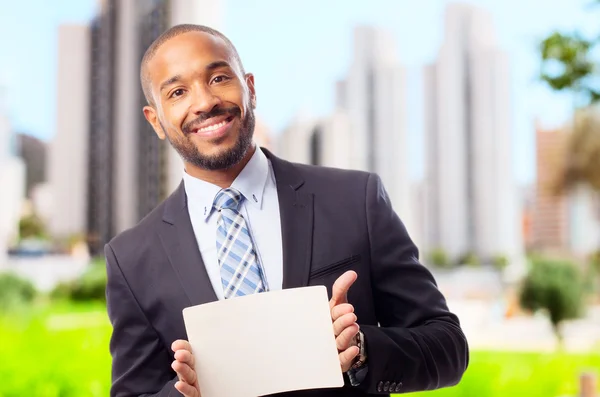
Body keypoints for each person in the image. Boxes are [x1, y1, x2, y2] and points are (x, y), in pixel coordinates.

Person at [105, 24, 469, 397]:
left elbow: (448, 347)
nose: (204, 102)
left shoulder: (354, 200)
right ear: (156, 120)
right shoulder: (131, 259)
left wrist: (361, 350)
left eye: (218, 77)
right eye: (178, 92)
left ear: (250, 87)